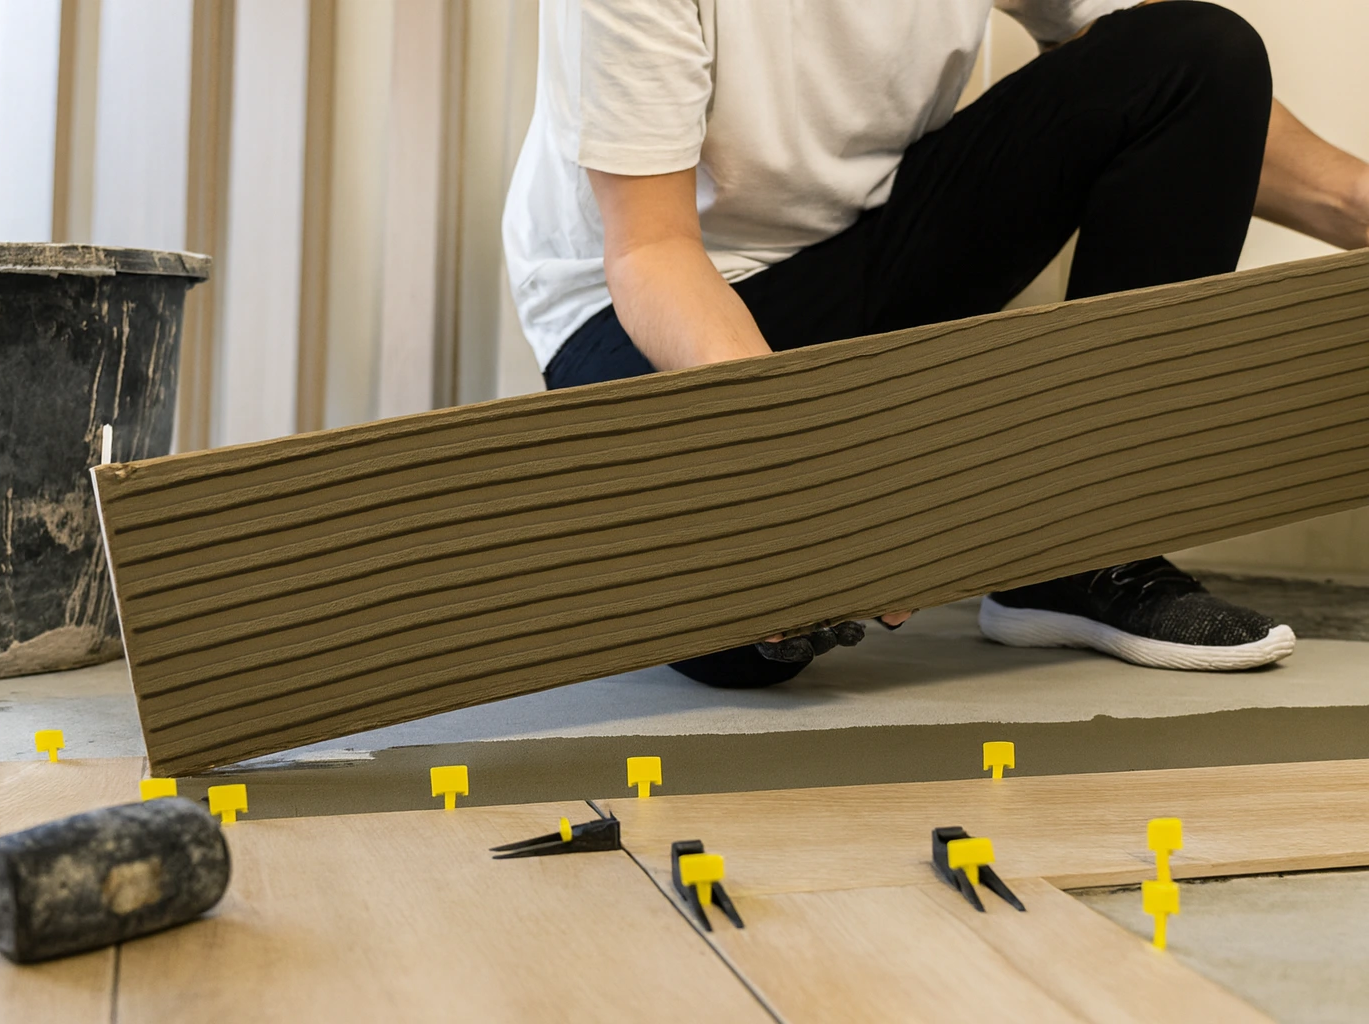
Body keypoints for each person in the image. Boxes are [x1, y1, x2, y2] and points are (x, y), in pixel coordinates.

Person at [501, 0, 1369, 688]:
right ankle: (784, 530)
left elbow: (1184, 91)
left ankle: (1080, 545)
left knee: (1197, 52)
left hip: (867, 242)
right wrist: (799, 477)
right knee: (747, 637)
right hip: (650, 302)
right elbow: (652, 251)